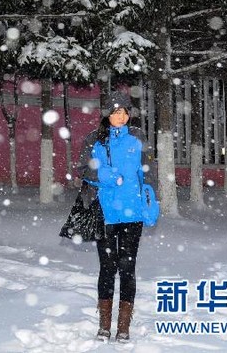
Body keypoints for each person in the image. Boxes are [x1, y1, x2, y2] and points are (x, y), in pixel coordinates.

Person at [77, 90, 154, 343]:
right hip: (106, 213)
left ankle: (123, 326)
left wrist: (151, 202)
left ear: (128, 114)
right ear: (107, 116)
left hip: (132, 215)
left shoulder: (138, 137)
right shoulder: (95, 139)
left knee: (127, 268)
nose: (118, 116)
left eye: (122, 111)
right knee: (107, 268)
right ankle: (103, 326)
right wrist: (108, 177)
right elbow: (82, 168)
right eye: (113, 112)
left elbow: (147, 172)